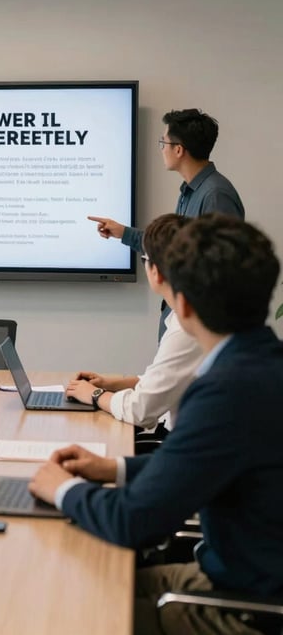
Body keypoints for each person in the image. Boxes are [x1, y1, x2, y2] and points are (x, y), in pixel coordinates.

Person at [29, 215, 283, 635]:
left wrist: (62, 489)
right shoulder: (262, 364)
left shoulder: (226, 391)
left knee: (73, 609)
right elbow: (200, 461)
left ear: (182, 304)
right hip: (240, 577)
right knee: (90, 582)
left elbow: (133, 523)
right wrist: (113, 468)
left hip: (246, 609)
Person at [89, 108, 245, 339]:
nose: (161, 149)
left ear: (179, 149)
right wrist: (124, 233)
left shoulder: (215, 195)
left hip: (199, 329)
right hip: (182, 322)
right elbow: (173, 247)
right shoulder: (190, 192)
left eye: (163, 142)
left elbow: (221, 272)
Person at [67, 213, 203, 431]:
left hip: (181, 441)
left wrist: (94, 394)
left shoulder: (186, 329)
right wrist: (108, 383)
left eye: (144, 260)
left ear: (155, 272)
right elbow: (159, 382)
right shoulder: (186, 315)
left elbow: (140, 411)